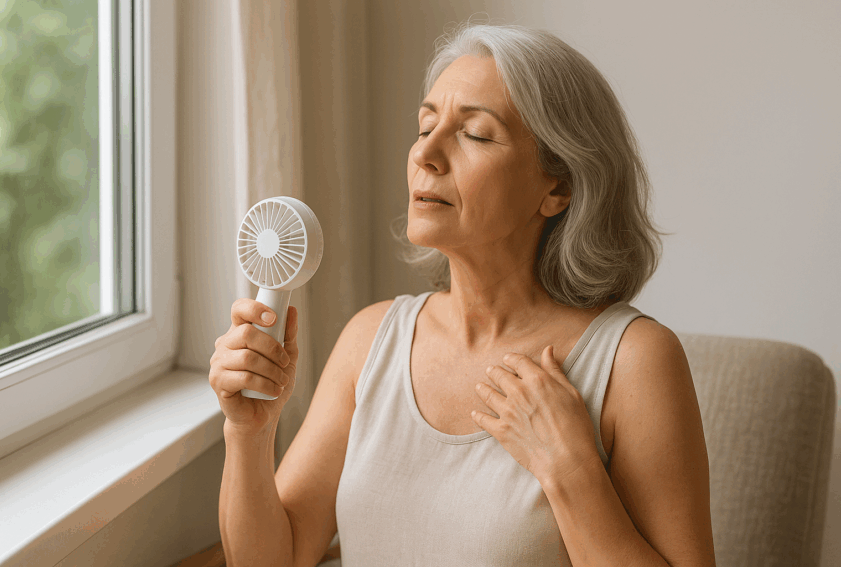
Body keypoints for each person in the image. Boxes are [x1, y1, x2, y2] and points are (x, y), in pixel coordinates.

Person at [210, 22, 716, 567]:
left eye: (474, 134)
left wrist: (571, 472)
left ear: (559, 185)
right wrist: (248, 435)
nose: (426, 153)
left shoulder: (634, 363)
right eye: (425, 125)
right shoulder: (370, 338)